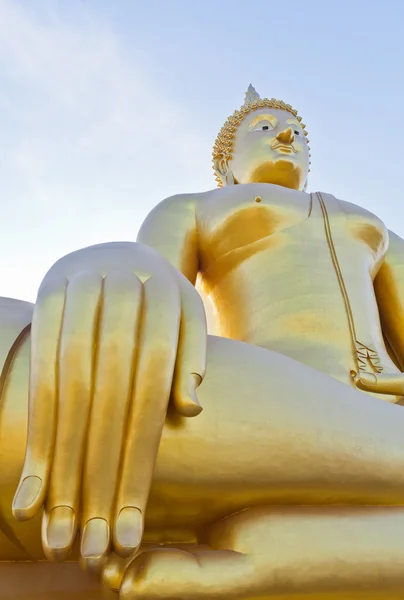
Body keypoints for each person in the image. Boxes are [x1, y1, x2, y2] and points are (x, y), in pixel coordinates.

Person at [2, 86, 404, 599]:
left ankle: (277, 562)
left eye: (299, 134)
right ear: (227, 166)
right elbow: (157, 289)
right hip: (254, 397)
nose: (287, 136)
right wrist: (121, 269)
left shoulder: (373, 230)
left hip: (384, 408)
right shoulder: (194, 207)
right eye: (263, 127)